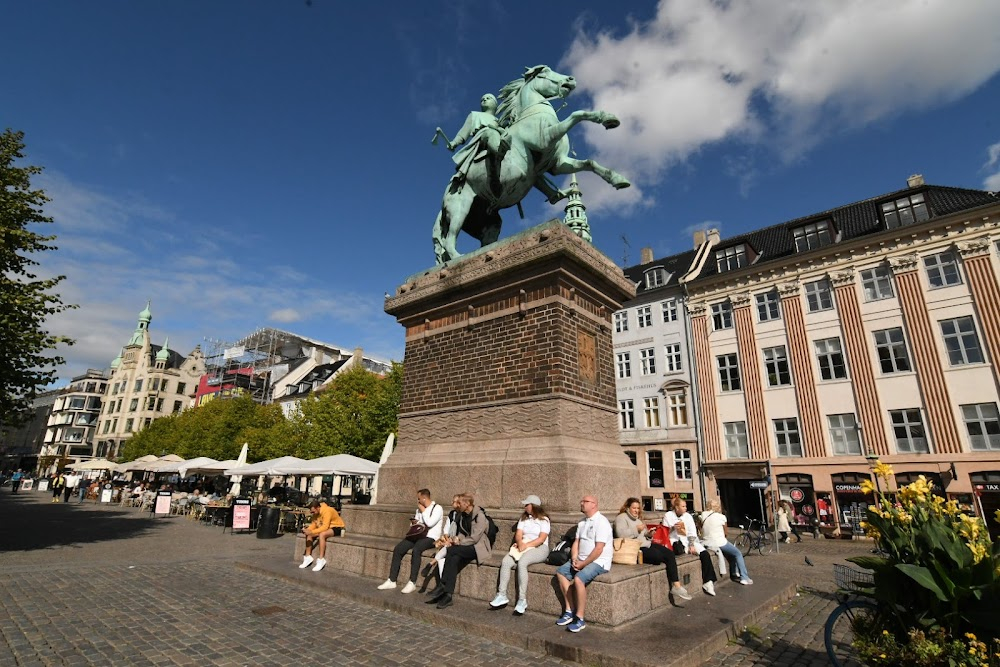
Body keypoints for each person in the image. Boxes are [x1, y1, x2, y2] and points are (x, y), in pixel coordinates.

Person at [613, 497, 692, 600]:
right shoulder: (621, 518)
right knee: (658, 557)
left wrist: (649, 534)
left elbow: (644, 534)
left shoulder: (637, 519)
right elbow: (621, 534)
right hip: (636, 549)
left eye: (638, 508)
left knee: (669, 553)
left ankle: (676, 585)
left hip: (646, 544)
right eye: (634, 508)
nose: (636, 510)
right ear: (628, 508)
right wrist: (636, 529)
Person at [555, 495, 613, 633]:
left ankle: (580, 618)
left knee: (579, 579)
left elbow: (599, 548)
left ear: (594, 504)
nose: (582, 503)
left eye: (585, 501)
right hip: (580, 559)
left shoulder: (602, 522)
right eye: (581, 501)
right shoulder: (582, 522)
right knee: (561, 572)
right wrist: (575, 557)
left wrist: (583, 564)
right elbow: (577, 542)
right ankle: (570, 610)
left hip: (599, 561)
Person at [425, 492, 492, 609]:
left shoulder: (479, 516)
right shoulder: (462, 515)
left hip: (478, 547)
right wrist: (457, 538)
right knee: (454, 558)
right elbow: (462, 532)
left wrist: (459, 542)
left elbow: (475, 538)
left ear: (467, 504)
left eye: (460, 503)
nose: (458, 505)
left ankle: (443, 584)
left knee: (452, 551)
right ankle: (448, 595)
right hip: (466, 546)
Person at [489, 495, 551, 615]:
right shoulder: (523, 519)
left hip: (539, 548)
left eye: (527, 504)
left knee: (522, 563)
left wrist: (526, 545)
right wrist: (520, 542)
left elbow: (541, 539)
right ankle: (502, 594)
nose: (525, 506)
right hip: (524, 545)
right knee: (506, 561)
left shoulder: (544, 520)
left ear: (534, 506)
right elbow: (518, 534)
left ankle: (522, 600)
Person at [378, 488, 443, 594]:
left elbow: (430, 523)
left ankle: (412, 582)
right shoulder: (419, 509)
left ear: (424, 498)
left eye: (419, 498)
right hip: (417, 535)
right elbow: (417, 524)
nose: (417, 501)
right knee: (399, 548)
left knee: (417, 550)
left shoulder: (437, 508)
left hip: (431, 538)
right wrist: (414, 522)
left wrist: (423, 511)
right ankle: (392, 580)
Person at [664, 496, 718, 596]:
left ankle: (708, 581)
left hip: (687, 541)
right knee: (673, 551)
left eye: (685, 506)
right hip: (674, 542)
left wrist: (691, 544)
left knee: (705, 554)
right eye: (683, 506)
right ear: (676, 507)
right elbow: (664, 532)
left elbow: (692, 532)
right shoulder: (668, 515)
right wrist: (673, 528)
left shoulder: (687, 516)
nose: (685, 508)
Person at [700, 499, 752, 585]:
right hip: (719, 542)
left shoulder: (703, 515)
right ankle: (744, 577)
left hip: (707, 542)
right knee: (737, 553)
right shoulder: (721, 517)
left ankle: (734, 572)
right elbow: (726, 532)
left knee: (731, 553)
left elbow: (701, 528)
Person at [298, 499, 345, 572]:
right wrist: (308, 530)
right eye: (311, 511)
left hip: (336, 527)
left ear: (317, 507)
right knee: (310, 534)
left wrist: (312, 531)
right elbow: (314, 524)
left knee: (322, 534)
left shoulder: (327, 510)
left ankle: (321, 559)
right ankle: (308, 557)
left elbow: (325, 527)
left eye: (313, 511)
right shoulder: (315, 513)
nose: (312, 512)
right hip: (325, 527)